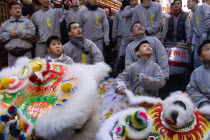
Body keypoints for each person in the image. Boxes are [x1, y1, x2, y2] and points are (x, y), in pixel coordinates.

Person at [0, 1, 35, 66]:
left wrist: (18, 33)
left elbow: (32, 33)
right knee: (13, 75)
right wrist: (9, 35)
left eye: (19, 8)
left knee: (26, 74)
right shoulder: (5, 24)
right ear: (10, 11)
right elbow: (1, 37)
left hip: (25, 54)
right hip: (11, 55)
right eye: (15, 8)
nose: (18, 10)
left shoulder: (28, 22)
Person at [186, 40, 210, 109]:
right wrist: (203, 102)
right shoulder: (196, 73)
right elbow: (191, 90)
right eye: (207, 49)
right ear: (201, 57)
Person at [187, 0, 210, 69]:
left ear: (195, 2)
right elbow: (192, 30)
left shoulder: (203, 6)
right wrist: (189, 39)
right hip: (198, 39)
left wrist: (205, 32)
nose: (188, 3)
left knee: (207, 58)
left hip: (207, 37)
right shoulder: (192, 16)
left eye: (189, 1)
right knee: (197, 59)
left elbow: (208, 19)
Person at [119, 0, 138, 69]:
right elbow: (122, 15)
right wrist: (134, 9)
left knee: (134, 57)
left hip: (136, 38)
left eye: (135, 0)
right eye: (132, 1)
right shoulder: (127, 8)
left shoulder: (141, 9)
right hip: (126, 37)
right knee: (122, 56)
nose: (134, 2)